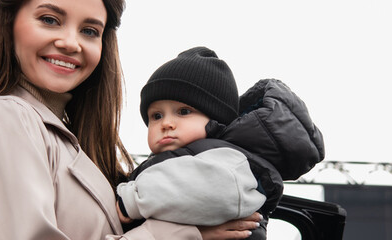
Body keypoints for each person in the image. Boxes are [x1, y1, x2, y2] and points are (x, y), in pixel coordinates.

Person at [0, 0, 259, 239]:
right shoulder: (4, 117)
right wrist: (182, 233)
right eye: (49, 19)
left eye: (90, 30)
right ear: (9, 22)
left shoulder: (67, 137)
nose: (71, 42)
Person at [115, 47, 326, 240]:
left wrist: (133, 199)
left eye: (184, 112)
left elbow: (200, 189)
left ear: (216, 120)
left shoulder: (228, 159)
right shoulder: (184, 158)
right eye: (156, 115)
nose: (167, 123)